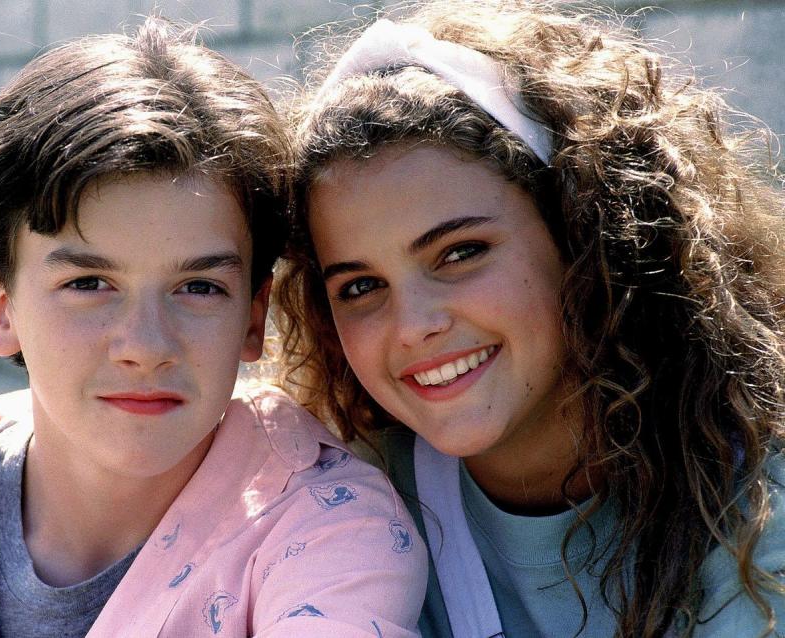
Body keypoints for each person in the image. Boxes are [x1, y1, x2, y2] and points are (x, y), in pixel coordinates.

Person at [0, 19, 428, 637]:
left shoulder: (329, 529)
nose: (145, 346)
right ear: (0, 307)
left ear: (253, 317)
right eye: (88, 284)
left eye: (198, 287)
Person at [274, 0, 785, 635]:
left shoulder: (759, 501)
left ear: (588, 236)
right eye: (359, 286)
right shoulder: (335, 512)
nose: (413, 325)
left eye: (460, 253)